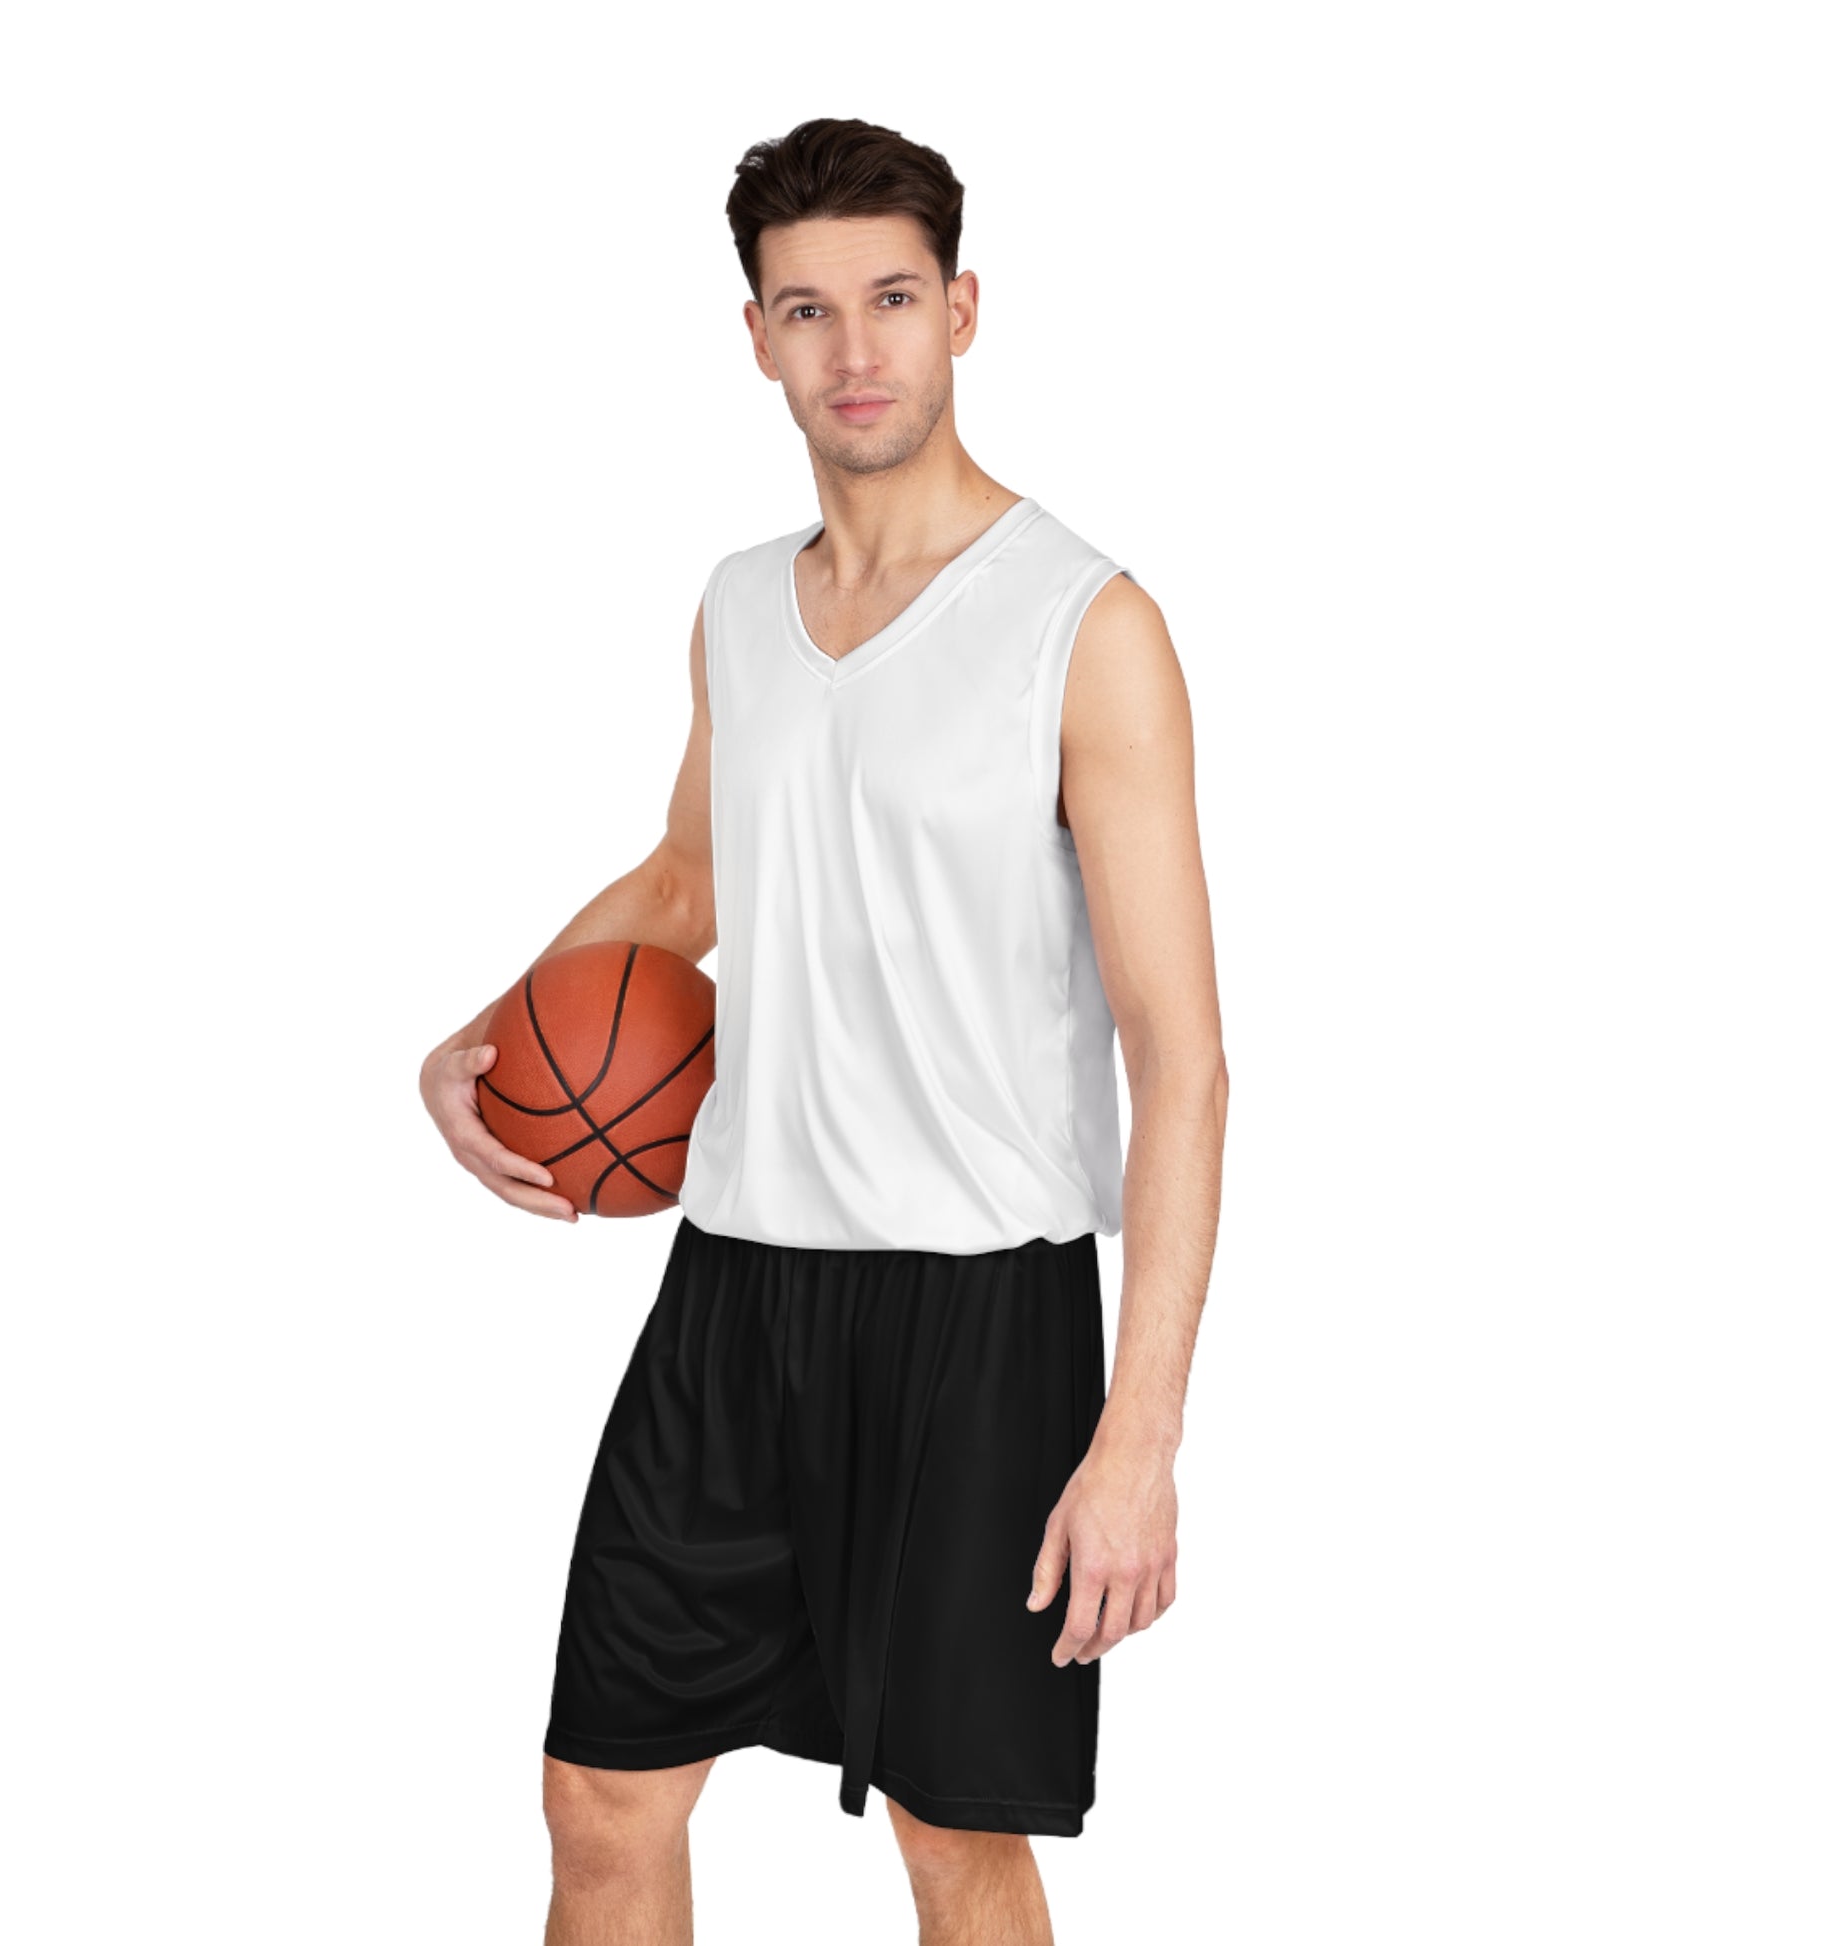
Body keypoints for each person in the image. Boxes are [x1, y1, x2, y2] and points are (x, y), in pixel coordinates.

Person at [419, 116, 1228, 1946]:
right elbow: (688, 877)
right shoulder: (738, 603)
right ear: (756, 338)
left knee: (953, 1843)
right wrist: (475, 1041)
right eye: (806, 310)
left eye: (889, 300)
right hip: (732, 1288)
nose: (852, 350)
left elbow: (1180, 1057)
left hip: (979, 1316)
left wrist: (1137, 1436)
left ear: (962, 310)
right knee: (601, 1793)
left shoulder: (1085, 624)